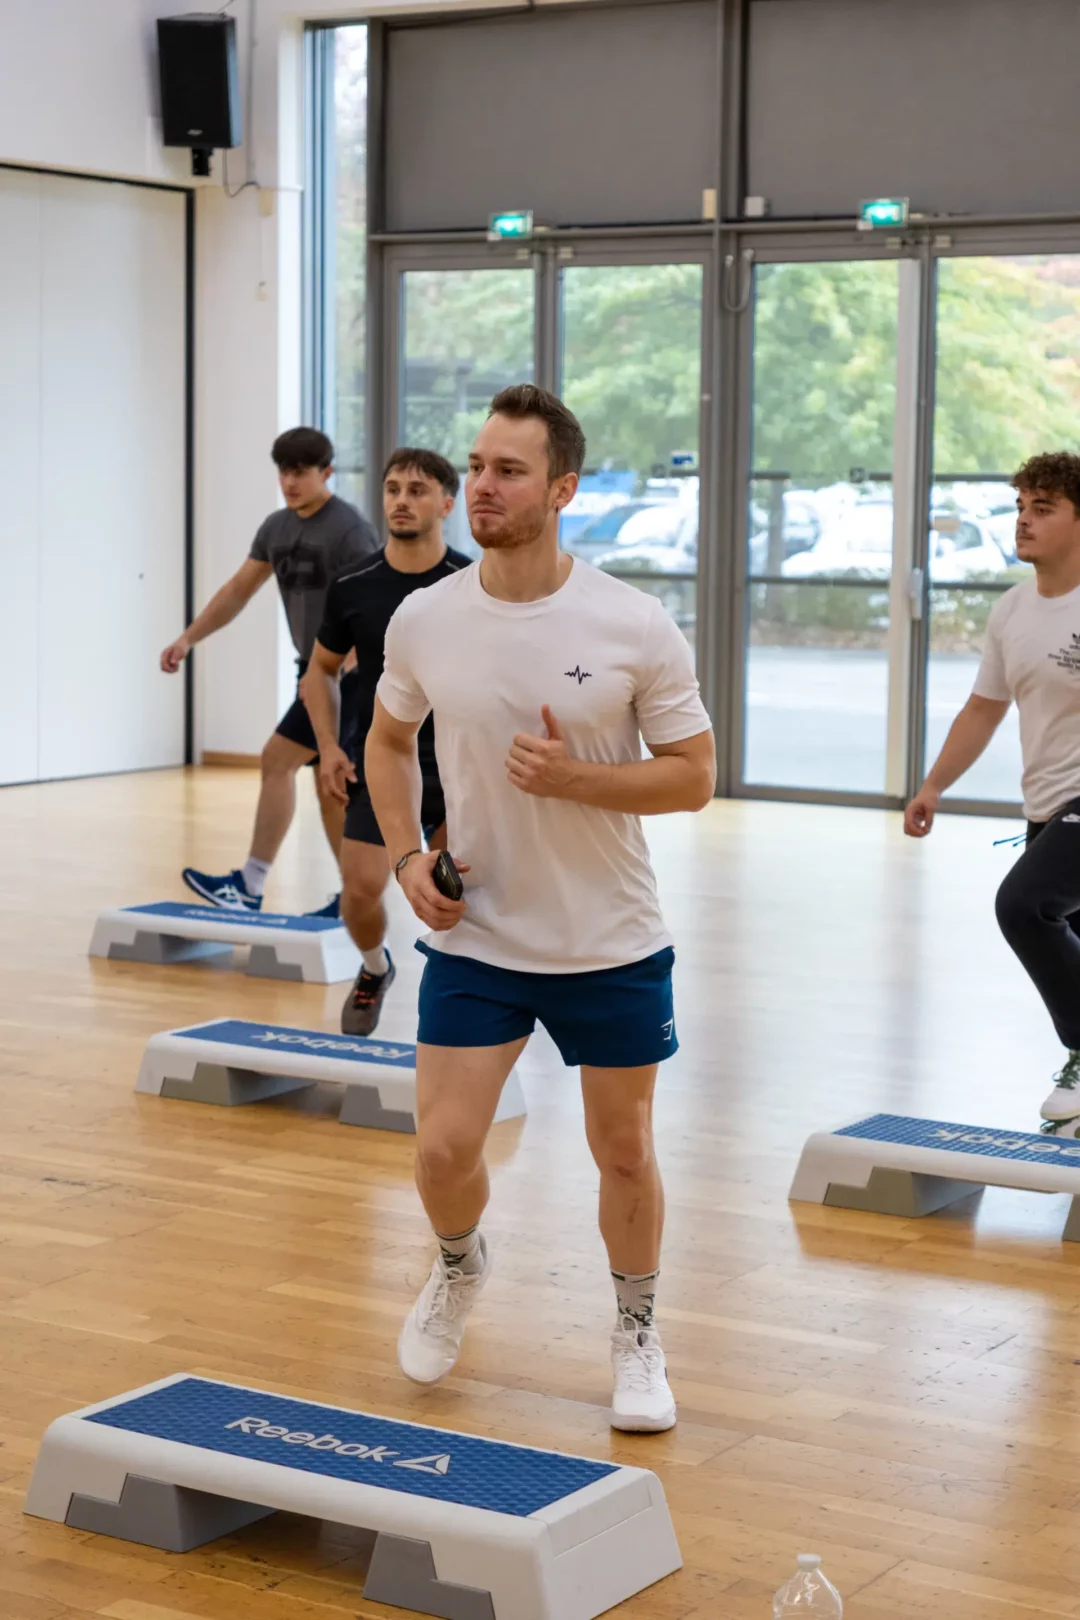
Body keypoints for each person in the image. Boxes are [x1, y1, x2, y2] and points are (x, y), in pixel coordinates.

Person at [364, 385, 715, 1431]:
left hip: (610, 940)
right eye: (477, 466)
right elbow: (388, 740)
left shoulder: (630, 622)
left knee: (624, 1151)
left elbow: (694, 776)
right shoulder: (426, 617)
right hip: (481, 935)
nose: (481, 486)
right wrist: (406, 856)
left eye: (508, 471)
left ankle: (637, 1330)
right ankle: (459, 1263)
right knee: (442, 1151)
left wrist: (577, 781)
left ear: (562, 490)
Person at [905, 452, 1080, 1135]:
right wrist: (933, 785)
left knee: (1023, 905)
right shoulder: (1012, 610)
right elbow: (984, 708)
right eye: (1020, 507)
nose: (1024, 521)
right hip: (1047, 808)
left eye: (1044, 508)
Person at [161, 427, 377, 914]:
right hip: (316, 670)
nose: (290, 482)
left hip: (351, 674)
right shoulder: (276, 528)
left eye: (300, 472)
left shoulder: (349, 531)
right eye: (283, 472)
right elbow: (238, 590)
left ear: (327, 472)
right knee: (331, 785)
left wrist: (332, 673)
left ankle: (250, 885)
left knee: (277, 758)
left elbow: (373, 607)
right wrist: (188, 638)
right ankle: (354, 898)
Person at [306, 448, 470, 1035]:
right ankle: (375, 967)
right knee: (359, 893)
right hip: (382, 760)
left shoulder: (472, 584)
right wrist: (328, 746)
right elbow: (319, 670)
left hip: (457, 769)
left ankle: (464, 998)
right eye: (393, 488)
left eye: (417, 490)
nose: (402, 500)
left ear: (447, 504)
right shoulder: (353, 585)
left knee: (461, 899)